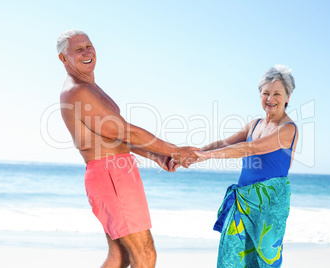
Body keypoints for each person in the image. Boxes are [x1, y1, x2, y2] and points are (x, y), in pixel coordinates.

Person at [56, 29, 197, 268]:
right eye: (78, 50)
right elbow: (123, 131)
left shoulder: (89, 86)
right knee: (145, 254)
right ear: (64, 59)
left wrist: (155, 155)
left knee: (119, 257)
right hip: (111, 175)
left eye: (89, 46)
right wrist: (174, 150)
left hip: (114, 172)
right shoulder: (78, 91)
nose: (87, 52)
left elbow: (115, 139)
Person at [193, 65, 298, 267]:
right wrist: (196, 153)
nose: (270, 98)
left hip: (268, 206)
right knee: (231, 259)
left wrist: (205, 157)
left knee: (263, 261)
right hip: (242, 201)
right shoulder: (255, 124)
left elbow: (251, 148)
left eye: (277, 93)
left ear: (287, 97)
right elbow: (226, 143)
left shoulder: (288, 129)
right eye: (265, 93)